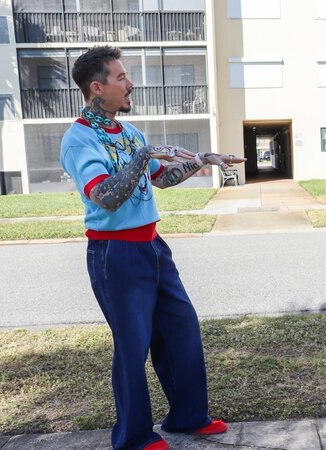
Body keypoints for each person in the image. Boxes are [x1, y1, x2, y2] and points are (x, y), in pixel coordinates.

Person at [60, 46, 244, 450]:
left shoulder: (128, 132)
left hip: (153, 246)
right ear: (97, 87)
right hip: (115, 254)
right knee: (132, 345)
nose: (131, 84)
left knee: (181, 330)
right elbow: (105, 196)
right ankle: (134, 436)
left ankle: (188, 416)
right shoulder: (79, 139)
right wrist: (142, 156)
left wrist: (202, 159)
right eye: (121, 77)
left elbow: (162, 177)